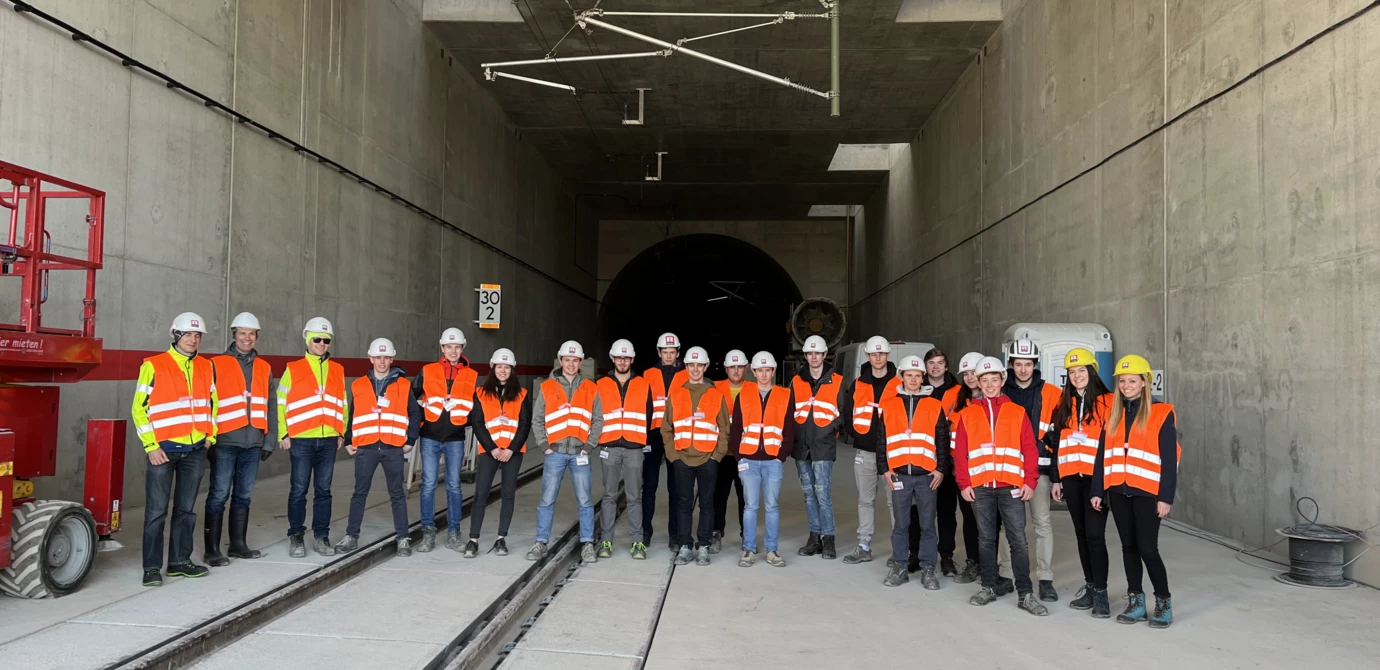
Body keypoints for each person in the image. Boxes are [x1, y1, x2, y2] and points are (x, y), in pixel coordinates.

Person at [954, 356, 1048, 616]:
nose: (990, 384)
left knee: (1018, 540)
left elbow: (1030, 449)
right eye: (985, 380)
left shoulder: (1017, 412)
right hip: (981, 486)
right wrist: (964, 483)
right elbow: (960, 452)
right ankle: (988, 586)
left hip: (1011, 487)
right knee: (986, 539)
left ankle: (1026, 594)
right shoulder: (967, 413)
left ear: (1002, 380)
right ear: (979, 383)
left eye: (995, 379)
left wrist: (1030, 481)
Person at [1092, 354, 1178, 629]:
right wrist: (1097, 490)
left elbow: (1169, 459)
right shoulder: (1112, 414)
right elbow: (1101, 456)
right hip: (1118, 491)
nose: (1126, 385)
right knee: (1128, 547)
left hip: (1148, 494)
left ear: (1144, 383)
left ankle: (1163, 601)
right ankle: (1136, 602)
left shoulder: (1161, 413)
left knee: (1147, 548)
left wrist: (1166, 497)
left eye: (1132, 380)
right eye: (1122, 381)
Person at [133, 312, 217, 586]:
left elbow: (213, 403)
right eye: (188, 334)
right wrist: (150, 446)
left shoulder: (206, 366)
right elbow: (139, 409)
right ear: (176, 335)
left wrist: (209, 437)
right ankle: (151, 568)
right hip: (163, 451)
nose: (193, 340)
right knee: (157, 511)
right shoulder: (153, 365)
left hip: (194, 450)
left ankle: (180, 562)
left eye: (197, 335)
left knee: (186, 510)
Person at [335, 339, 422, 555]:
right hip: (367, 447)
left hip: (393, 447)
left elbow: (414, 413)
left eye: (386, 358)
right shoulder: (358, 385)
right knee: (359, 493)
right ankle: (351, 536)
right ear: (371, 358)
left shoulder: (404, 385)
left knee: (397, 494)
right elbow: (352, 414)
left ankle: (403, 537)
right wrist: (348, 439)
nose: (382, 361)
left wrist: (410, 440)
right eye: (378, 357)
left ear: (391, 359)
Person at [204, 312, 273, 566]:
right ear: (234, 335)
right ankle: (211, 550)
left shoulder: (264, 368)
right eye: (242, 333)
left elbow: (272, 404)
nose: (247, 338)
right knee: (219, 494)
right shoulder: (216, 364)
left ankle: (238, 545)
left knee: (243, 495)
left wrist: (269, 440)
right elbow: (206, 402)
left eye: (251, 334)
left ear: (256, 337)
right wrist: (209, 438)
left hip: (253, 441)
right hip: (225, 441)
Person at [1048, 348, 1113, 617]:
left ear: (1092, 372)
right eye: (1072, 372)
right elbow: (1054, 445)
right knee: (1082, 535)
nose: (1077, 376)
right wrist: (1056, 479)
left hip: (1097, 481)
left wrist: (1103, 484)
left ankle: (1101, 594)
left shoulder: (1110, 402)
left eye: (1081, 371)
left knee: (1096, 538)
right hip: (1071, 479)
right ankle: (1090, 586)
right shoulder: (1063, 405)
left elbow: (1112, 445)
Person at [277, 317, 348, 558]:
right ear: (308, 339)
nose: (321, 344)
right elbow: (281, 402)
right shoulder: (293, 368)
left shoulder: (337, 370)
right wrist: (283, 432)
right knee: (298, 490)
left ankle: (321, 536)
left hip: (328, 439)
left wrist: (341, 432)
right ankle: (296, 536)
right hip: (301, 439)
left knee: (324, 491)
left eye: (326, 340)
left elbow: (343, 403)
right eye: (317, 339)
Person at [879, 356, 952, 589]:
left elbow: (942, 439)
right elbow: (881, 440)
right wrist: (884, 469)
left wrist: (941, 469)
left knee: (928, 524)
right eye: (909, 375)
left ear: (923, 378)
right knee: (901, 525)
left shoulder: (934, 404)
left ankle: (928, 568)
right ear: (901, 377)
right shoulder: (889, 405)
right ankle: (900, 566)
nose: (913, 379)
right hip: (899, 474)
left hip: (926, 476)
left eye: (917, 375)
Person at [1000, 338, 1063, 602]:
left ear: (1035, 365)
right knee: (1008, 527)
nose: (1023, 369)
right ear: (1010, 365)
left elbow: (1059, 437)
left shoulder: (1053, 393)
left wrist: (1058, 478)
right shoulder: (1000, 392)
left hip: (1041, 470)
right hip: (1008, 471)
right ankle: (1005, 575)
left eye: (1028, 364)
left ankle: (1045, 579)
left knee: (1042, 524)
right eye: (1018, 364)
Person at [529, 341, 602, 564]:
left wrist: (589, 446)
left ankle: (587, 544)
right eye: (567, 360)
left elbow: (598, 420)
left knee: (584, 500)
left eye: (575, 360)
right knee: (547, 500)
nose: (571, 364)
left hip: (580, 453)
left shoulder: (591, 388)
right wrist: (544, 445)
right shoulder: (547, 387)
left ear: (581, 362)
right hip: (556, 453)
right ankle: (541, 541)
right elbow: (537, 419)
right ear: (561, 361)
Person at [837, 336, 901, 566]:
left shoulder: (899, 382)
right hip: (865, 452)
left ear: (887, 355)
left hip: (893, 453)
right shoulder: (858, 383)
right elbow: (848, 410)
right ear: (868, 356)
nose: (878, 357)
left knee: (896, 502)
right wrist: (857, 434)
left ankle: (899, 549)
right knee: (865, 500)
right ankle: (863, 545)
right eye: (874, 354)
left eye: (881, 354)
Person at [662, 346, 729, 566]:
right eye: (691, 365)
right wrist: (673, 455)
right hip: (682, 459)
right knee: (683, 503)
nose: (695, 369)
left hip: (707, 460)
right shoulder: (676, 394)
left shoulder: (716, 395)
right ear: (687, 367)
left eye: (699, 365)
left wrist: (716, 456)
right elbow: (667, 428)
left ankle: (703, 546)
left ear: (705, 366)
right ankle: (684, 545)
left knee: (707, 504)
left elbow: (724, 429)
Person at [413, 328, 477, 552]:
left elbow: (475, 405)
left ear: (462, 348)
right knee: (428, 485)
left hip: (455, 438)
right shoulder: (427, 371)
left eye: (457, 347)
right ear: (442, 348)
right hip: (430, 436)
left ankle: (453, 533)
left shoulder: (471, 375)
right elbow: (412, 397)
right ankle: (428, 533)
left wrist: (466, 420)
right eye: (449, 347)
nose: (453, 351)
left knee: (454, 487)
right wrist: (422, 420)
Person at [729, 352, 794, 568]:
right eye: (760, 370)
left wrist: (781, 456)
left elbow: (789, 429)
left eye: (768, 370)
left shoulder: (785, 395)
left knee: (772, 506)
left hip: (772, 461)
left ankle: (772, 551)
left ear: (773, 371)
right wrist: (740, 457)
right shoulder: (744, 396)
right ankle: (748, 550)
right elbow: (736, 428)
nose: (764, 374)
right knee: (750, 506)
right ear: (753, 372)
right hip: (748, 459)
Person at [466, 348, 531, 558]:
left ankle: (501, 538)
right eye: (499, 366)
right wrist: (492, 448)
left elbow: (524, 424)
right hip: (489, 451)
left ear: (512, 370)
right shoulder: (480, 393)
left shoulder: (522, 394)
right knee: (481, 494)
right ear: (493, 368)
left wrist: (511, 449)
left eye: (507, 367)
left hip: (513, 452)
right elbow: (477, 423)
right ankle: (473, 539)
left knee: (508, 494)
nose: (503, 370)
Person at [595, 339, 653, 560]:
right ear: (612, 358)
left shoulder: (643, 383)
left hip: (633, 448)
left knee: (634, 496)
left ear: (632, 359)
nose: (622, 361)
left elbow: (648, 415)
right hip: (609, 445)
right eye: (619, 357)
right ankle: (606, 540)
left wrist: (640, 441)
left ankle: (637, 541)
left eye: (626, 358)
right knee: (609, 495)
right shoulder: (600, 384)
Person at [791, 335, 843, 559]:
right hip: (802, 447)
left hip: (823, 445)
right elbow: (789, 413)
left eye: (817, 353)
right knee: (808, 495)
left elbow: (844, 413)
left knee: (822, 494)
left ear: (824, 355)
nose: (813, 357)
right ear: (806, 355)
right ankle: (814, 537)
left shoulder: (838, 380)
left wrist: (829, 429)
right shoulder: (796, 381)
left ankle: (828, 539)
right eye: (810, 353)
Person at [938, 352, 985, 584]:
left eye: (973, 373)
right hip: (958, 467)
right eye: (965, 373)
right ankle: (973, 563)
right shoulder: (952, 396)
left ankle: (988, 563)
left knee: (985, 520)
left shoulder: (991, 397)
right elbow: (941, 429)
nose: (969, 377)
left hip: (984, 469)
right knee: (967, 517)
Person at [642, 332, 689, 550]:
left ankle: (674, 534)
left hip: (676, 437)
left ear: (678, 353)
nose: (669, 357)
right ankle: (645, 531)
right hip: (652, 435)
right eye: (665, 352)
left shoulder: (687, 374)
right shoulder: (647, 375)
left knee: (675, 488)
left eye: (672, 353)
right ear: (659, 352)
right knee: (649, 486)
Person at [709, 349, 750, 553]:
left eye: (739, 367)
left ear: (746, 368)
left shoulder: (753, 389)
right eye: (732, 367)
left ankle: (746, 534)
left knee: (746, 497)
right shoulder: (714, 389)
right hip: (722, 453)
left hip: (745, 454)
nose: (735, 371)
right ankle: (717, 532)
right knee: (719, 495)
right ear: (726, 368)